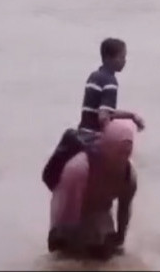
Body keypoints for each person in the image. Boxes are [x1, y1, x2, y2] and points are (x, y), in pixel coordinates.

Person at [48, 119, 138, 259]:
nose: (123, 158)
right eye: (120, 152)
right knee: (66, 257)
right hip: (67, 208)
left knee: (104, 254)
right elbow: (67, 214)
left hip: (99, 210)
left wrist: (119, 239)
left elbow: (124, 209)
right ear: (108, 146)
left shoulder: (128, 176)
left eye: (127, 152)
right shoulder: (79, 169)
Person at [80, 38, 145, 133]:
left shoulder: (94, 76)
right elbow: (103, 117)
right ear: (108, 58)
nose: (124, 61)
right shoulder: (110, 81)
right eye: (121, 57)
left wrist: (131, 115)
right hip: (94, 136)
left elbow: (104, 111)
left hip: (82, 132)